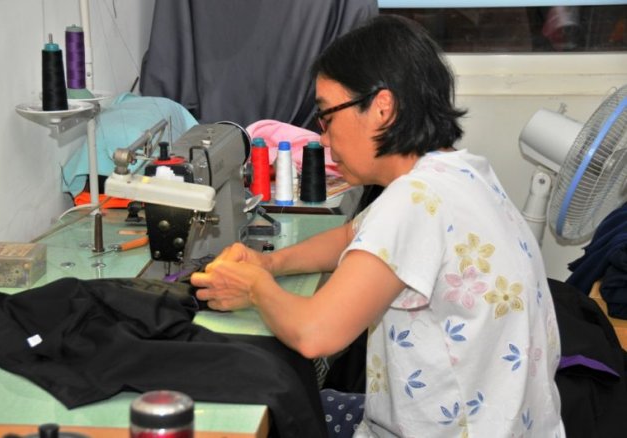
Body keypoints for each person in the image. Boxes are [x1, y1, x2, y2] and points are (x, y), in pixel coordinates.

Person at [191, 14, 565, 438]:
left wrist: (255, 289)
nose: (323, 138)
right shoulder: (460, 173)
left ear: (382, 108)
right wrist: (269, 264)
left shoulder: (413, 202)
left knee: (273, 413)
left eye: (327, 117)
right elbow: (351, 236)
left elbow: (315, 334)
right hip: (511, 427)